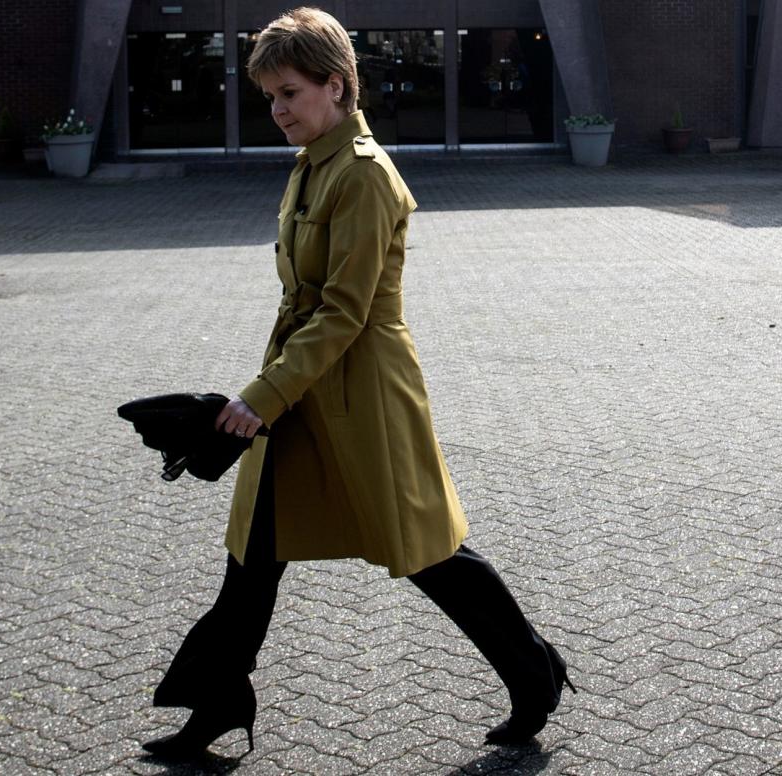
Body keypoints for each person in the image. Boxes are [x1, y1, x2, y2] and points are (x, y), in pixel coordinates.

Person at [141, 7, 574, 761]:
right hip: (300, 385)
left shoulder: (365, 176)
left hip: (362, 394)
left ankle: (532, 669)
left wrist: (258, 399)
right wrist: (266, 393)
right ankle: (215, 703)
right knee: (251, 554)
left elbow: (343, 313)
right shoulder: (314, 164)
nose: (275, 110)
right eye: (268, 96)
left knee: (425, 549)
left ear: (336, 86)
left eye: (288, 93)